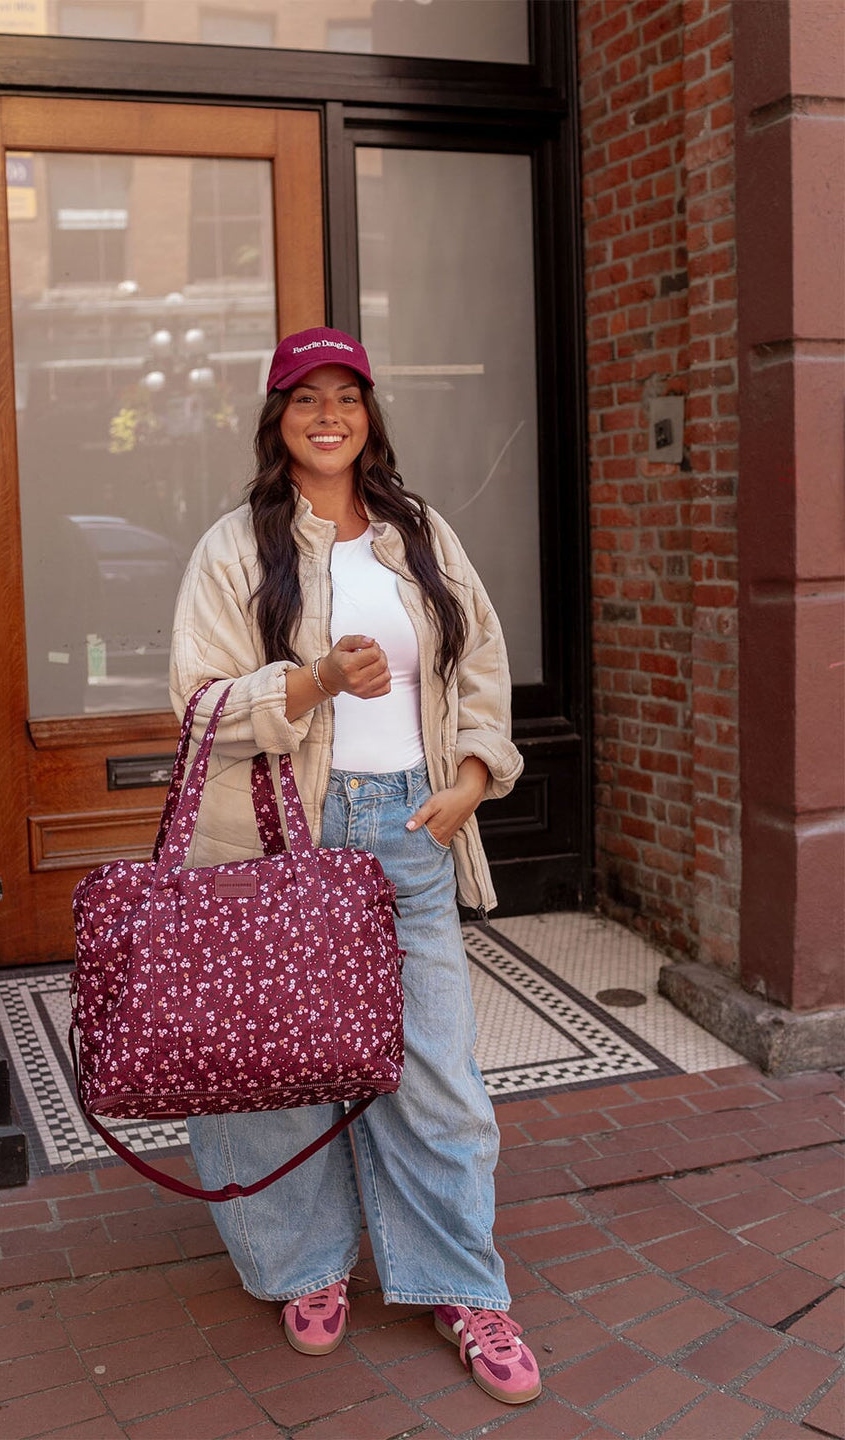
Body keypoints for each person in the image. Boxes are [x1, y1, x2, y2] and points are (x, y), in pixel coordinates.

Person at [168, 326, 540, 1406]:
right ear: (276, 417)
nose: (327, 415)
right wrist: (314, 679)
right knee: (277, 1066)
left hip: (407, 831)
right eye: (304, 398)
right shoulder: (235, 547)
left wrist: (473, 778)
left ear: (368, 414)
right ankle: (304, 1266)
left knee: (437, 1074)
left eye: (347, 396)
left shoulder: (421, 533)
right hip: (283, 833)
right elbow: (196, 707)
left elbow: (482, 662)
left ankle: (463, 1286)